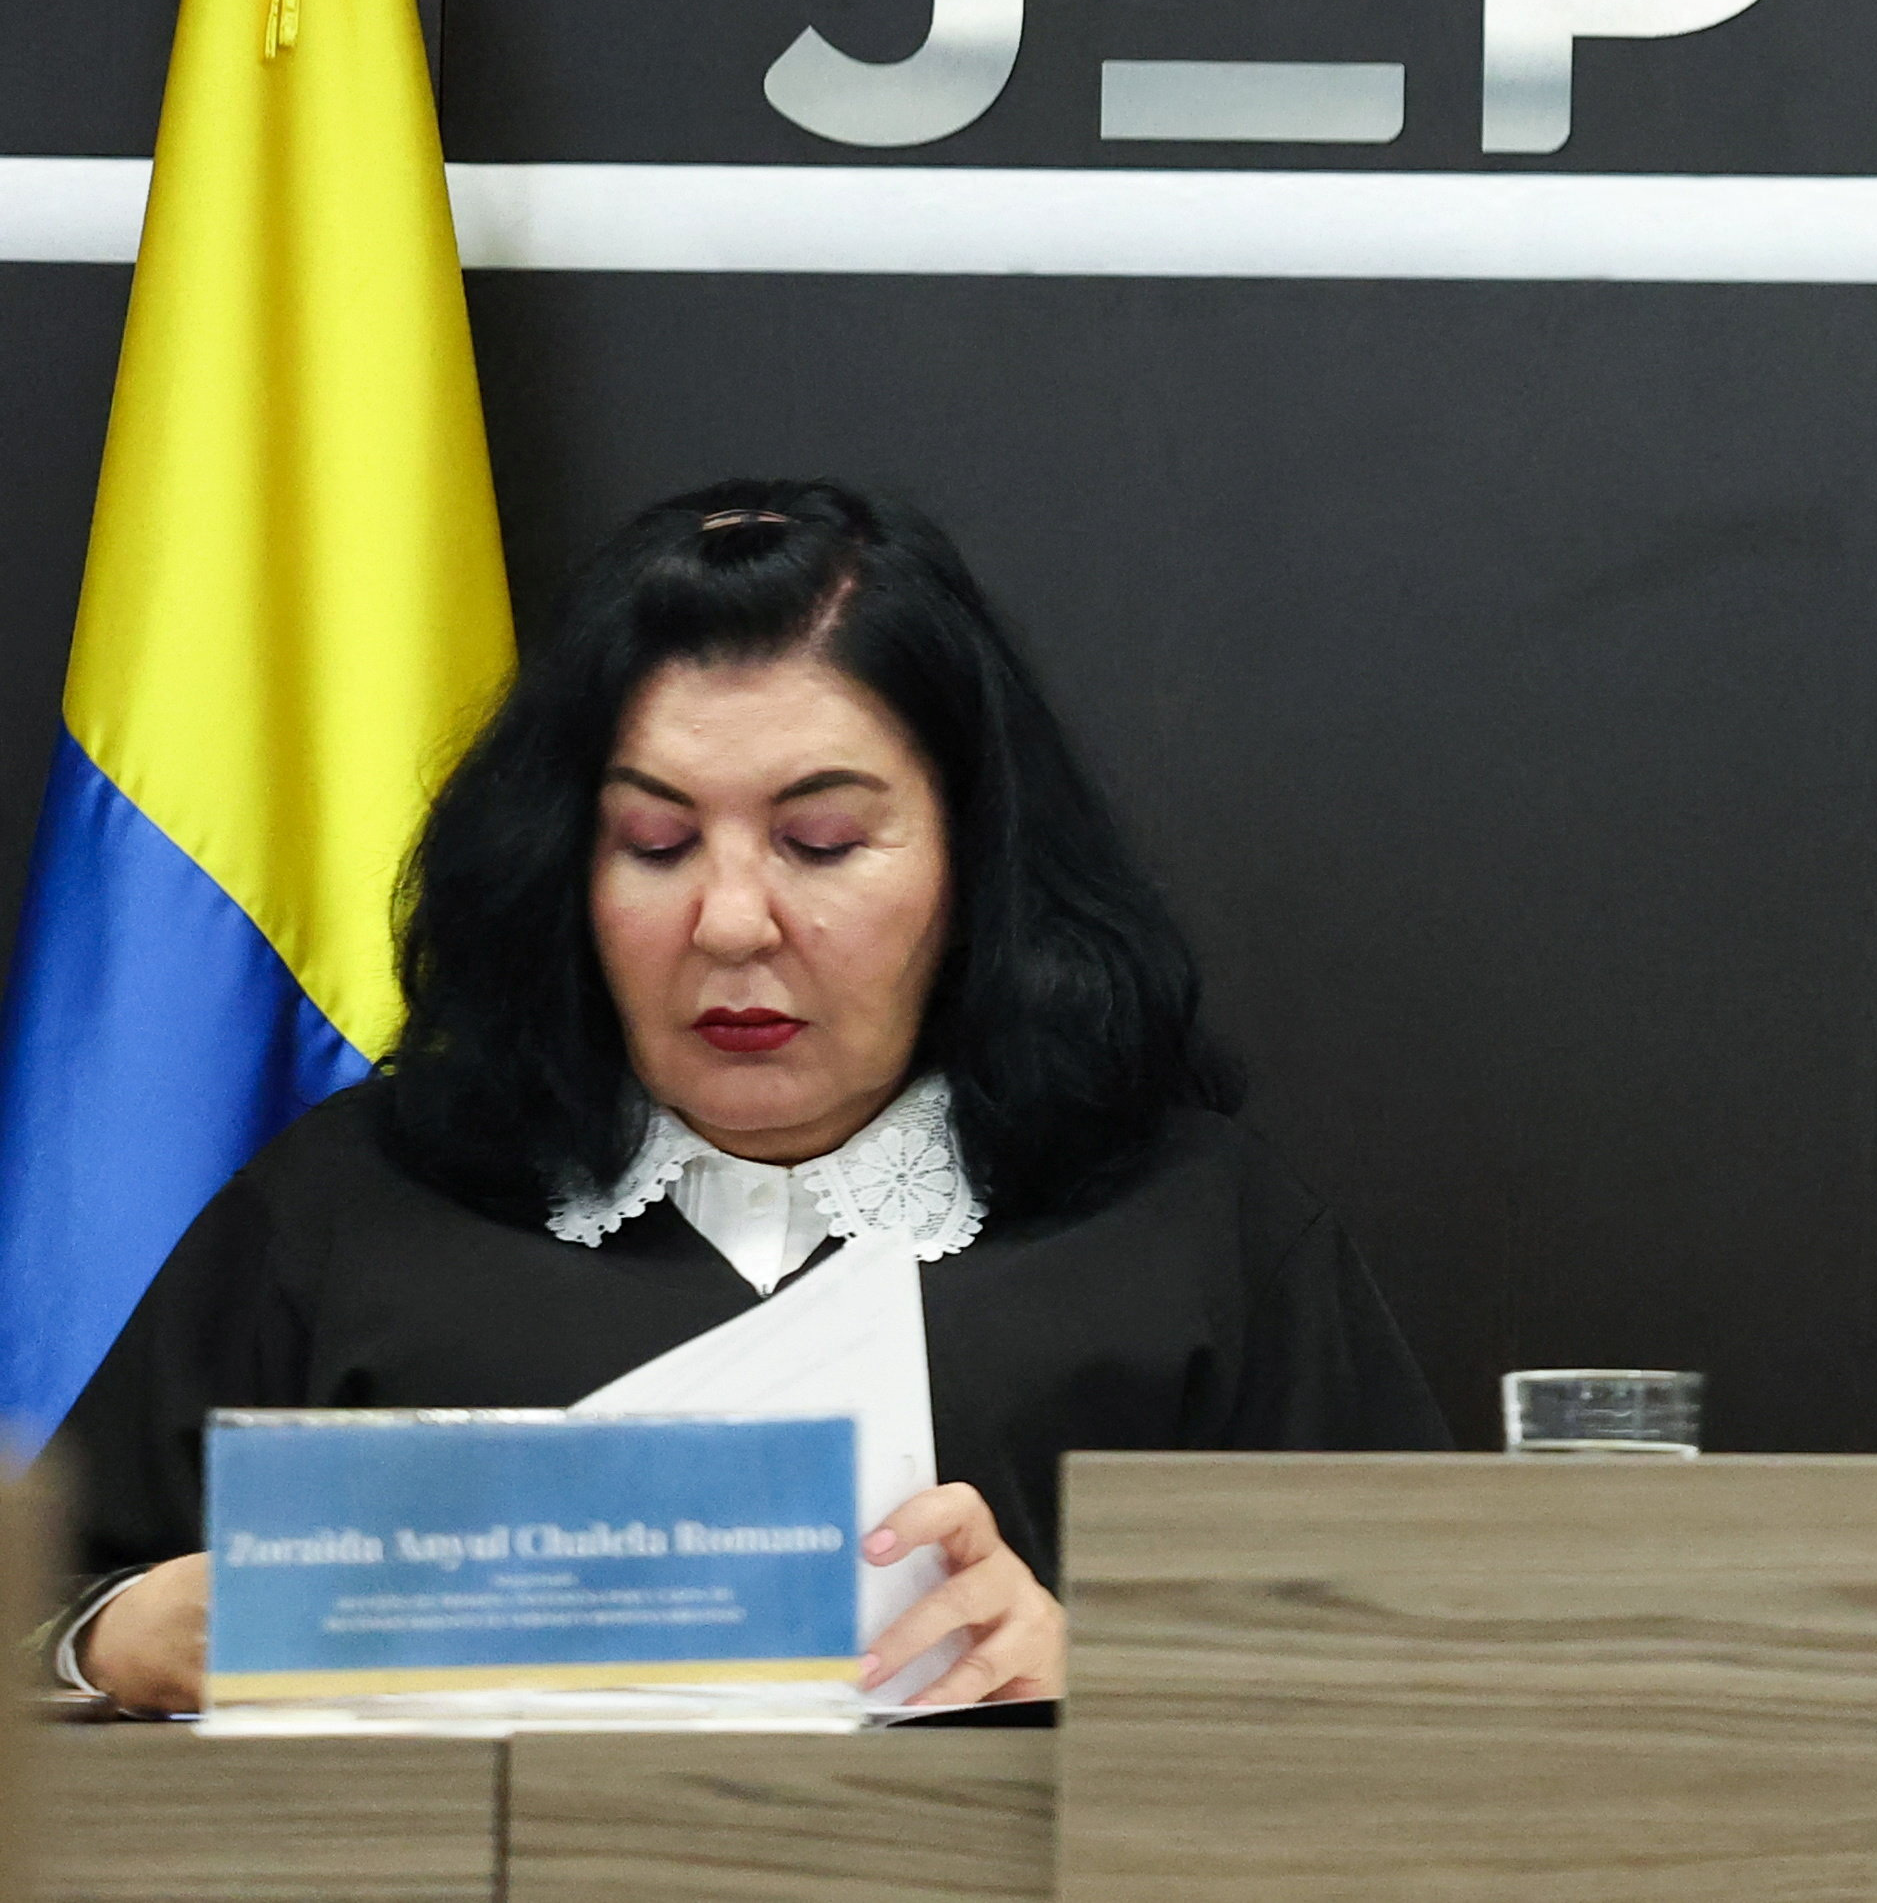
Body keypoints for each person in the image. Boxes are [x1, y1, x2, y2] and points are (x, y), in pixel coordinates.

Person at [42, 482, 1444, 1713]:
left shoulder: (1189, 1225)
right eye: (653, 843)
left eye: (821, 842)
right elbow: (46, 1606)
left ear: (972, 864)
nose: (729, 921)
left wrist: (1117, 1679)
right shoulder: (358, 1204)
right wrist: (107, 1643)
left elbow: (1422, 1694)